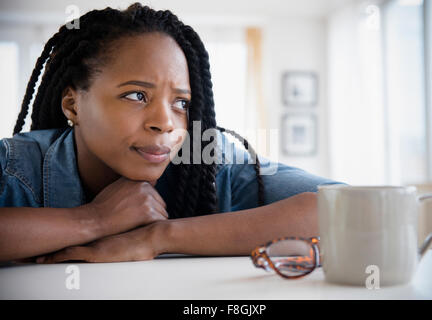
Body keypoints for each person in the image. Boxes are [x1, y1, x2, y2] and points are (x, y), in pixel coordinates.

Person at [0, 3, 343, 264]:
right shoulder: (16, 165)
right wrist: (93, 220)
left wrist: (160, 237)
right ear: (73, 105)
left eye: (180, 102)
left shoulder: (210, 165)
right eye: (137, 95)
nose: (165, 123)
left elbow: (344, 210)